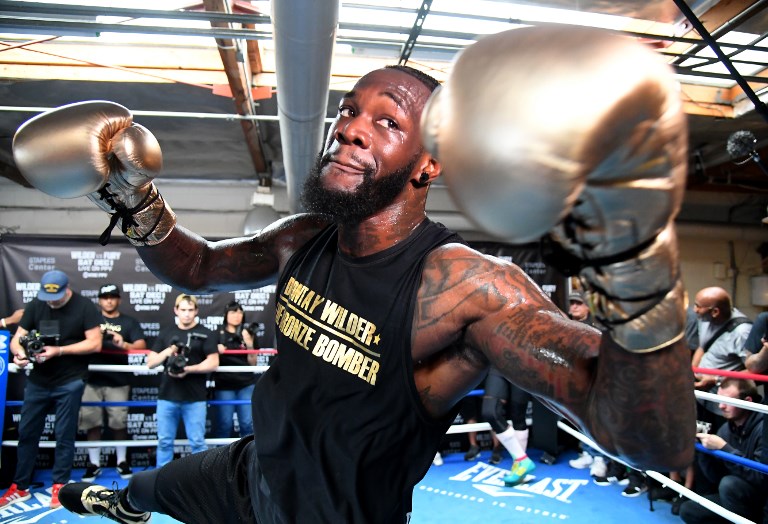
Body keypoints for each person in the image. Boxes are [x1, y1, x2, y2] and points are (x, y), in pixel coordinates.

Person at [16, 53, 695, 523]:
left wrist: (645, 294)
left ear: (429, 164)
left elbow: (648, 440)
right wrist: (137, 201)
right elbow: (199, 268)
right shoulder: (304, 235)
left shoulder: (466, 288)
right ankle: (120, 502)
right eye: (349, 112)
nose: (349, 129)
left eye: (387, 121)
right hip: (247, 475)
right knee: (145, 486)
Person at [0, 270, 102, 510]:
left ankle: (60, 485)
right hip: (38, 380)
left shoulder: (84, 306)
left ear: (67, 289)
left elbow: (95, 342)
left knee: (64, 433)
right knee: (27, 432)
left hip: (70, 380)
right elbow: (17, 338)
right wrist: (21, 354)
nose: (51, 301)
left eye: (55, 297)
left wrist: (60, 351)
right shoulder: (37, 304)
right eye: (47, 296)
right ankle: (20, 486)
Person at [79, 283, 148, 482]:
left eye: (112, 296)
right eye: (105, 297)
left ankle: (121, 461)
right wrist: (96, 337)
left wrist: (122, 342)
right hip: (91, 379)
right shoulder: (91, 320)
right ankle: (94, 463)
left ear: (118, 299)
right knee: (91, 422)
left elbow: (141, 346)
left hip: (118, 380)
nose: (109, 300)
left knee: (119, 422)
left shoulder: (128, 322)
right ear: (99, 300)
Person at [678, 378, 767, 523]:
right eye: (719, 400)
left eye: (727, 401)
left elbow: (761, 478)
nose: (721, 406)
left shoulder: (763, 429)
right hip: (734, 497)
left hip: (759, 499)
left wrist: (725, 448)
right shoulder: (726, 429)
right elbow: (716, 478)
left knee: (730, 484)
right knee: (689, 510)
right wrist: (703, 451)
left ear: (748, 401)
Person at [147, 293, 218, 467]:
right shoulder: (167, 333)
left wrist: (188, 370)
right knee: (164, 442)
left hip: (195, 397)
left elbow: (213, 362)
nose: (186, 313)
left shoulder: (205, 333)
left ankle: (200, 482)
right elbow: (150, 363)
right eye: (183, 309)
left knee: (197, 443)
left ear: (196, 311)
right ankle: (160, 482)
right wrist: (168, 351)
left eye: (190, 310)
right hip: (167, 396)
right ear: (176, 310)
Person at [692, 287, 752, 425]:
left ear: (715, 312)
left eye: (698, 306)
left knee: (718, 438)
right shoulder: (705, 319)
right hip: (702, 395)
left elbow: (755, 370)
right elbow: (703, 346)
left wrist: (715, 379)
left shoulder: (742, 332)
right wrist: (691, 371)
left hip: (723, 401)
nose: (694, 310)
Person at [480, 367, 536, 485]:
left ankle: (519, 468)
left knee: (518, 418)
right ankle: (522, 460)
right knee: (490, 412)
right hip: (496, 363)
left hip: (522, 362)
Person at [212, 300, 258, 438]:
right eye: (233, 312)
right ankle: (221, 459)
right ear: (226, 314)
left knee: (247, 424)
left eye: (240, 312)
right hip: (224, 385)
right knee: (224, 424)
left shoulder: (248, 334)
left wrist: (250, 344)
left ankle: (247, 458)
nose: (237, 315)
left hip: (245, 384)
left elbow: (253, 363)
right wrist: (216, 350)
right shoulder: (217, 334)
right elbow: (209, 359)